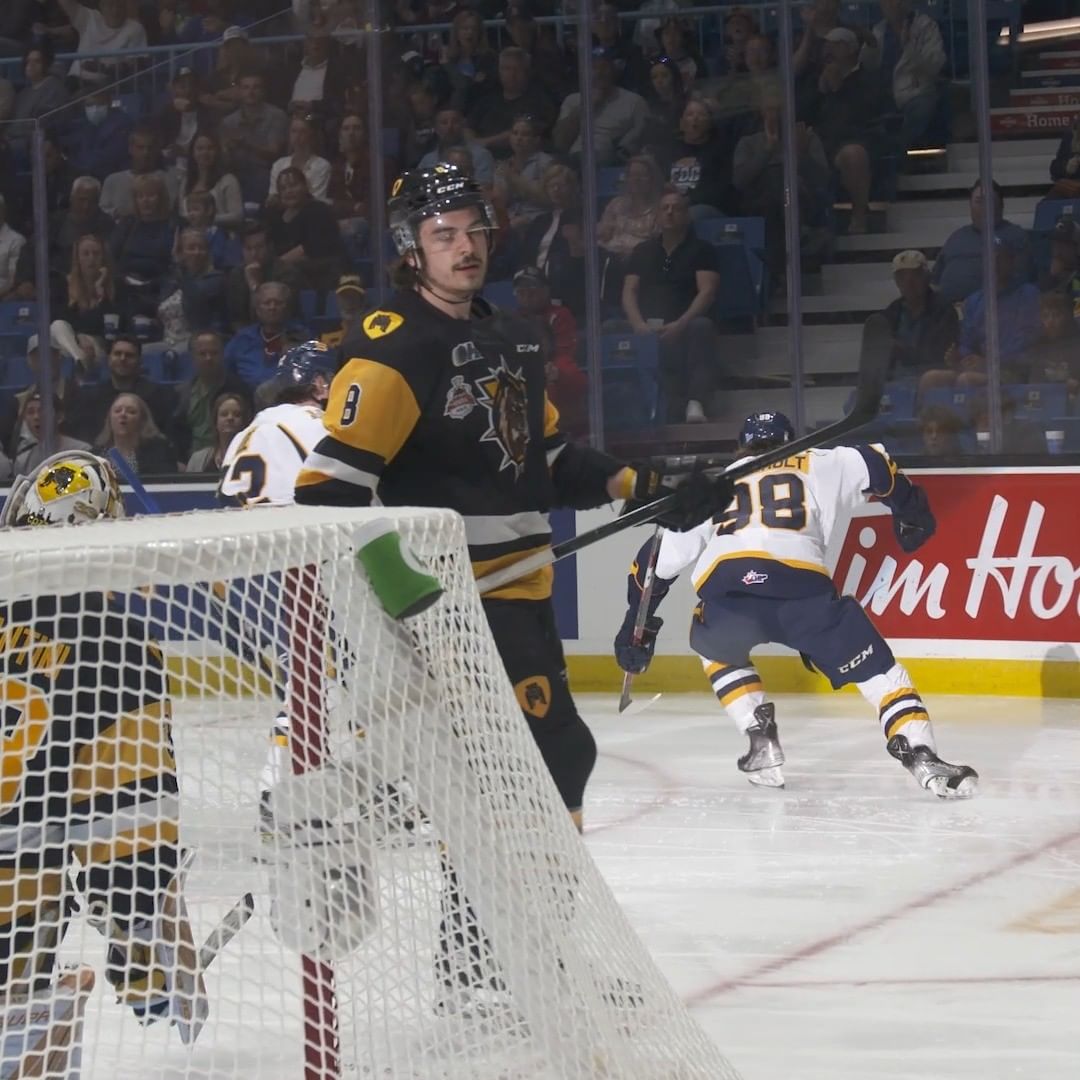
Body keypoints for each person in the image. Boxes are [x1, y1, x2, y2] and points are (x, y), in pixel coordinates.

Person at [293, 163, 728, 1006]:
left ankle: (488, 956)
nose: (464, 248)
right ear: (410, 250)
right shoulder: (391, 346)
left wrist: (643, 490)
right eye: (443, 234)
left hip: (518, 597)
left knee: (524, 768)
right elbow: (328, 495)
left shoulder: (514, 339)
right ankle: (497, 956)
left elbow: (551, 460)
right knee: (547, 758)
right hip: (450, 606)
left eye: (474, 231)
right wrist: (406, 595)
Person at [614, 410, 978, 799]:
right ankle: (921, 753)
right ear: (793, 439)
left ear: (740, 448)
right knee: (880, 676)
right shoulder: (822, 460)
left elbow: (652, 566)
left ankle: (759, 736)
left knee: (717, 652)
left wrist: (635, 627)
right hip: (803, 596)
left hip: (728, 598)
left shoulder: (714, 487)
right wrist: (910, 512)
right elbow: (878, 463)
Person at [0, 451, 204, 1055]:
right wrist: (148, 969)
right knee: (38, 1014)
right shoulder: (114, 645)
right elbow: (128, 845)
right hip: (14, 919)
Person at [622, 186, 721, 423]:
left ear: (687, 216)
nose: (669, 213)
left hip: (684, 323)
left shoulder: (702, 250)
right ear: (656, 215)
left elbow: (707, 291)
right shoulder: (642, 250)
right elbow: (629, 290)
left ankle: (696, 402)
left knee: (702, 327)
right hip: (645, 325)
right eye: (664, 208)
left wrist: (680, 323)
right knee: (610, 330)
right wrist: (637, 324)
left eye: (676, 209)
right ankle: (629, 407)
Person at [221, 341, 332, 505]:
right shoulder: (322, 425)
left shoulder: (243, 434)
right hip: (297, 525)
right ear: (320, 384)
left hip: (237, 526)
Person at [511, 265, 586, 438]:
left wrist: (555, 374)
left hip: (562, 424)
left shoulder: (560, 315)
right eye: (521, 290)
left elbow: (577, 379)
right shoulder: (510, 320)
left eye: (532, 288)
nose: (527, 294)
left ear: (546, 290)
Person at [931, 178, 1030, 304]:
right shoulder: (957, 236)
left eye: (990, 201)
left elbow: (1022, 279)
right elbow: (935, 280)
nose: (984, 207)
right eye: (979, 201)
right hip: (948, 311)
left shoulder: (1015, 235)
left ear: (1001, 205)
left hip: (992, 311)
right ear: (970, 205)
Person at [553, 47, 648, 167]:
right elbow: (559, 143)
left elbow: (644, 138)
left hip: (614, 163)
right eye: (593, 67)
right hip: (574, 162)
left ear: (614, 70)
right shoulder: (572, 100)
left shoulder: (635, 101)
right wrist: (586, 107)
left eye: (604, 67)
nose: (599, 73)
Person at [870, 0, 945, 150]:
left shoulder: (925, 26)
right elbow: (868, 65)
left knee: (922, 107)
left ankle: (899, 150)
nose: (891, 5)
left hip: (915, 92)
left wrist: (909, 47)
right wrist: (867, 46)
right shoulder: (878, 31)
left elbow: (935, 64)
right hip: (884, 94)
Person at [172, 329, 252, 461]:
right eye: (202, 353)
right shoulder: (181, 392)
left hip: (230, 456)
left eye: (214, 353)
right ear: (192, 357)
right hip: (191, 461)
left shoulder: (240, 389)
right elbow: (176, 433)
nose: (208, 358)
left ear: (223, 355)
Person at [881, 249, 958, 377]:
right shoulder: (892, 311)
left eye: (915, 275)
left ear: (927, 277)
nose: (908, 282)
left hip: (932, 381)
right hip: (895, 383)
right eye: (902, 277)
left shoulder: (943, 310)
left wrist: (902, 350)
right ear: (896, 281)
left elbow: (940, 356)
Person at [92, 392, 179, 475]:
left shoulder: (159, 452)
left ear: (142, 421)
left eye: (131, 412)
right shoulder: (95, 455)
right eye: (117, 411)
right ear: (109, 420)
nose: (123, 414)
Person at [186, 391, 252, 472]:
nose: (230, 418)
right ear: (215, 421)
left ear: (244, 422)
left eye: (237, 414)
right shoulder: (197, 459)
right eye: (224, 414)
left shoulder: (252, 458)